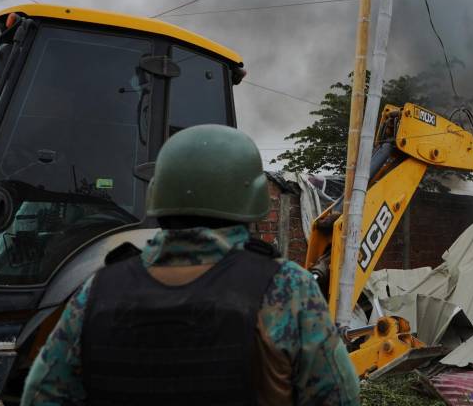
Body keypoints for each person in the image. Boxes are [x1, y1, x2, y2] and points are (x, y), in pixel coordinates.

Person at [21, 124, 360, 405]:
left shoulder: (97, 291)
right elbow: (338, 397)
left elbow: (41, 396)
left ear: (159, 194)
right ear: (253, 198)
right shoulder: (287, 288)